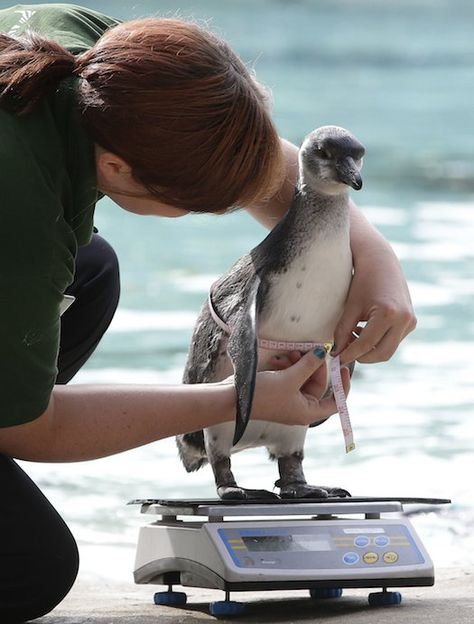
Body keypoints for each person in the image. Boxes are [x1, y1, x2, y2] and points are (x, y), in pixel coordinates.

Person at [0, 4, 416, 622]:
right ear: (117, 168)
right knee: (32, 571)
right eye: (197, 205)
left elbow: (268, 170)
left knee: (93, 273)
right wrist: (239, 399)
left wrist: (377, 260)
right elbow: (30, 429)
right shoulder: (23, 225)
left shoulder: (93, 57)